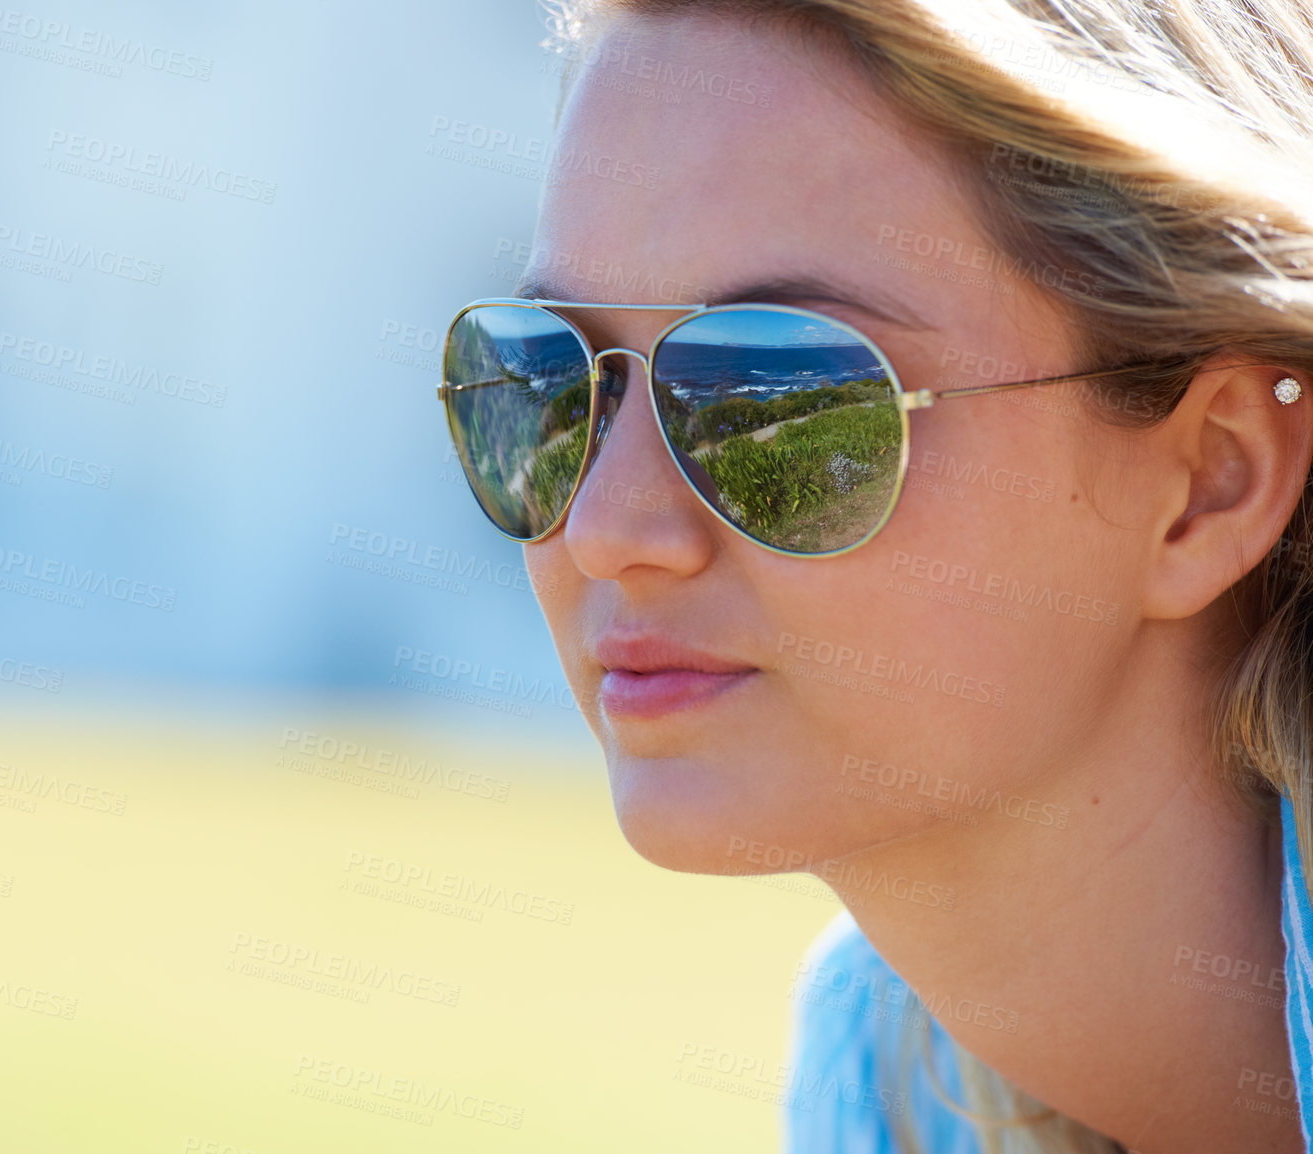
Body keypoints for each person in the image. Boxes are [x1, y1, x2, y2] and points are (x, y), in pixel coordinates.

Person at [434, 0, 1313, 1149]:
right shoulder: (880, 1062)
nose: (607, 527)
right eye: (548, 382)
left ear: (1210, 480)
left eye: (786, 395)